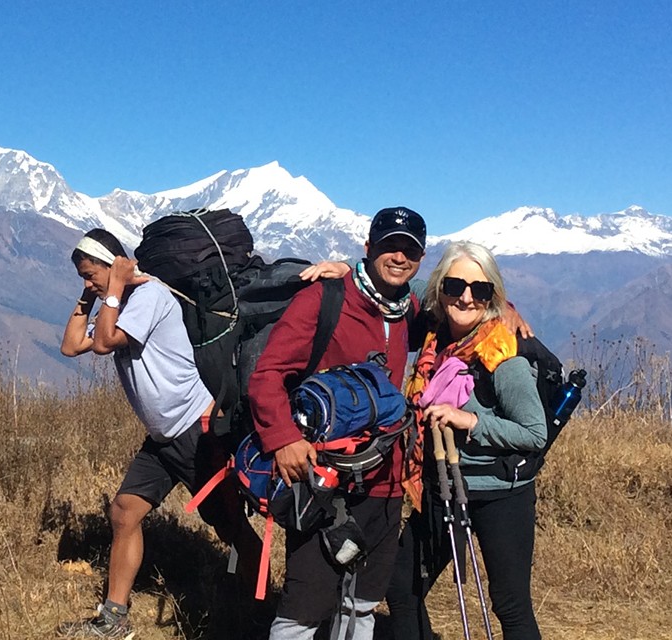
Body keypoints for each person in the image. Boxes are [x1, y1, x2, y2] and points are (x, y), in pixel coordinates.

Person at [55, 228, 266, 639]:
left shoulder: (149, 297)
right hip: (162, 437)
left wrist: (113, 286)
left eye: (90, 274)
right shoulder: (117, 303)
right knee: (124, 512)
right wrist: (89, 298)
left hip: (195, 430)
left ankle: (262, 614)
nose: (87, 283)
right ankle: (113, 618)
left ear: (115, 263)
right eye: (82, 277)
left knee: (230, 527)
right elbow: (70, 346)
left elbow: (104, 343)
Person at [248, 207, 428, 640]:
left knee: (361, 605)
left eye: (410, 250)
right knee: (303, 610)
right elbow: (267, 375)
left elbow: (466, 301)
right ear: (368, 248)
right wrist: (284, 439)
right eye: (389, 246)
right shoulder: (324, 300)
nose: (399, 257)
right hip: (326, 481)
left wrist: (507, 309)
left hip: (386, 481)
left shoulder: (409, 308)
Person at [385, 240, 548, 640]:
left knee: (510, 606)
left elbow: (534, 433)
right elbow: (404, 281)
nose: (467, 297)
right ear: (440, 290)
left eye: (481, 290)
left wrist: (471, 420)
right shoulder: (437, 342)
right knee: (401, 589)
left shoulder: (503, 355)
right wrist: (349, 270)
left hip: (501, 494)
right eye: (455, 286)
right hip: (442, 486)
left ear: (493, 295)